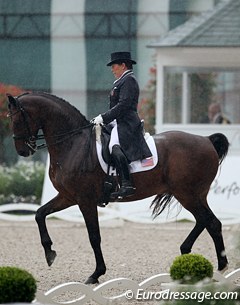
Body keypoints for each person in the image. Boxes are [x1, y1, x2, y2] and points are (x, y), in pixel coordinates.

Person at [91, 51, 152, 199]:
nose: (112, 69)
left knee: (114, 147)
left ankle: (127, 184)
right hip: (117, 122)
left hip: (127, 124)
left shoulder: (129, 80)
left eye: (114, 66)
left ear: (123, 65)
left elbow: (123, 105)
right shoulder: (121, 81)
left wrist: (103, 117)